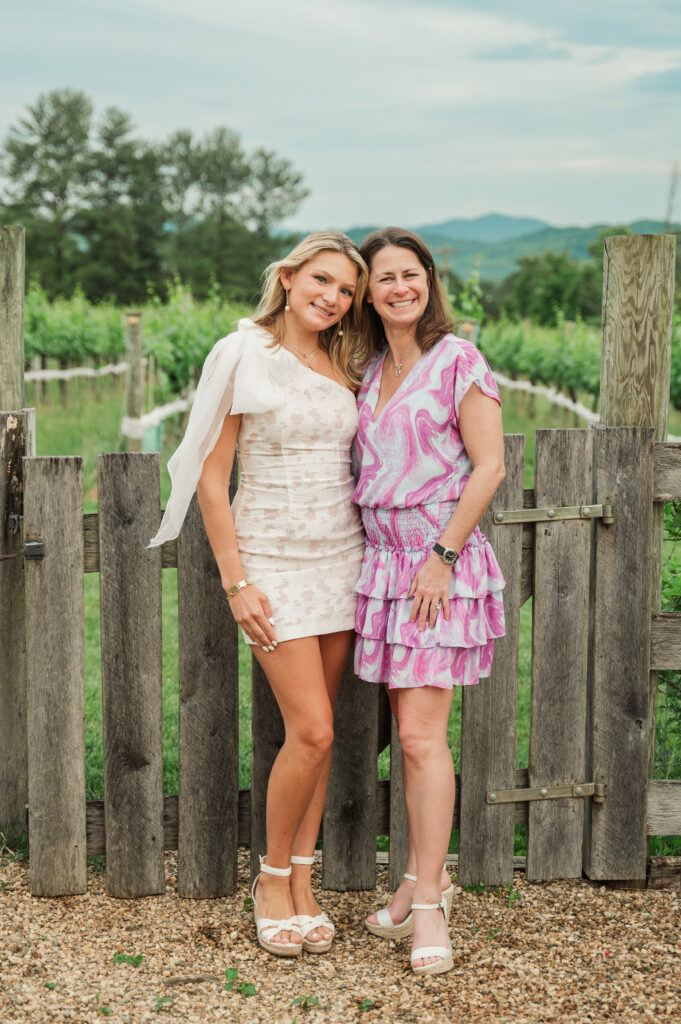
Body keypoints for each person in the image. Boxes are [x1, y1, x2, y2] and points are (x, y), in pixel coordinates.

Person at [149, 231, 368, 957]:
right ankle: (270, 882)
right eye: (322, 280)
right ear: (288, 275)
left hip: (342, 556)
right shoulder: (241, 352)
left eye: (345, 292)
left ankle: (303, 880)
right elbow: (214, 476)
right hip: (271, 557)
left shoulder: (341, 360)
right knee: (310, 729)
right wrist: (235, 580)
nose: (332, 298)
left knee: (324, 728)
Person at [352, 228, 506, 976]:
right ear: (368, 291)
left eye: (409, 274)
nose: (398, 287)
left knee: (419, 736)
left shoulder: (458, 360)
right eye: (383, 278)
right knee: (405, 728)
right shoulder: (370, 368)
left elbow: (490, 466)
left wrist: (442, 556)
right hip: (381, 565)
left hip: (432, 562)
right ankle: (418, 877)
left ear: (427, 281)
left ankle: (432, 904)